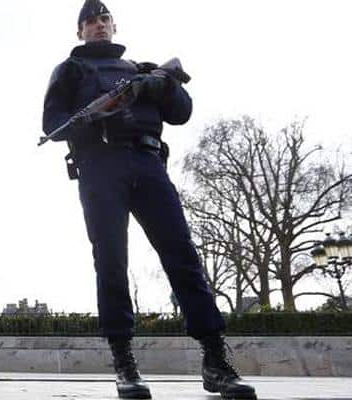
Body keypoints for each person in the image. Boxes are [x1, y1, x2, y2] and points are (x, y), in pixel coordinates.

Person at [41, 1, 256, 399]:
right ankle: (124, 363)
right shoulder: (69, 71)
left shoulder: (140, 70)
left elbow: (182, 113)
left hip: (148, 162)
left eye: (103, 19)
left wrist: (164, 84)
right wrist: (101, 119)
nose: (98, 26)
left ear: (113, 24)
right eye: (89, 22)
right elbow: (53, 127)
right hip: (101, 166)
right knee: (111, 260)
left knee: (183, 256)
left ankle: (215, 361)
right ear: (79, 32)